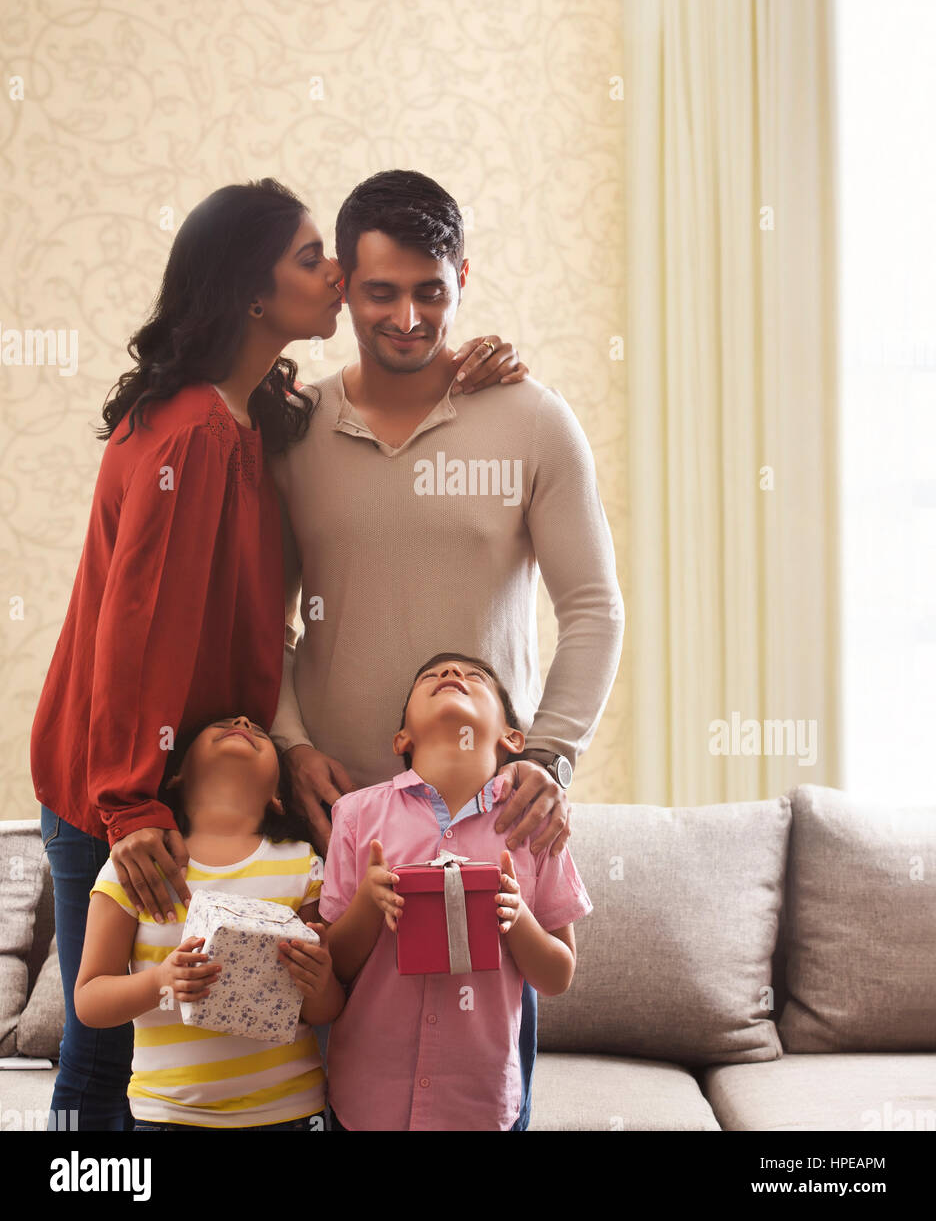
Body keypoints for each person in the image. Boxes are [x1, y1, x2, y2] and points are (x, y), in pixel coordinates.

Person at [29, 174, 528, 1130]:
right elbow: (137, 632)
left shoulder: (253, 415)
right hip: (121, 784)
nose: (339, 274)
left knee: (216, 1029)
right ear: (252, 293)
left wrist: (459, 361)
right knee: (100, 1061)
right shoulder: (196, 433)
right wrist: (131, 802)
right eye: (313, 259)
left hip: (173, 778)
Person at [268, 169, 625, 1127]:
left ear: (463, 277)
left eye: (432, 290)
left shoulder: (530, 419)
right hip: (333, 826)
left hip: (484, 835)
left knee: (477, 1099)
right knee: (334, 1099)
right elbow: (259, 617)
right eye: (381, 290)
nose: (408, 315)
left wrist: (548, 757)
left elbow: (594, 607)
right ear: (343, 285)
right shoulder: (291, 428)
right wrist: (293, 744)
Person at [319, 653, 593, 1131]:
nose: (451, 676)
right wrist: (368, 902)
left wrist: (517, 917)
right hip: (366, 1098)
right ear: (401, 738)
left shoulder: (538, 829)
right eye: (433, 676)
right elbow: (333, 967)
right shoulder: (355, 815)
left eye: (474, 678)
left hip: (480, 1103)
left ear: (513, 738)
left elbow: (557, 976)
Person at [73, 714, 343, 1130]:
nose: (242, 720)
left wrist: (321, 980)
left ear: (277, 794)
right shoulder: (135, 867)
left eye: (258, 730)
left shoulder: (302, 864)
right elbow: (89, 1001)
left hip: (290, 1112)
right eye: (222, 723)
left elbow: (322, 1010)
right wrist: (162, 980)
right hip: (167, 1114)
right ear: (176, 774)